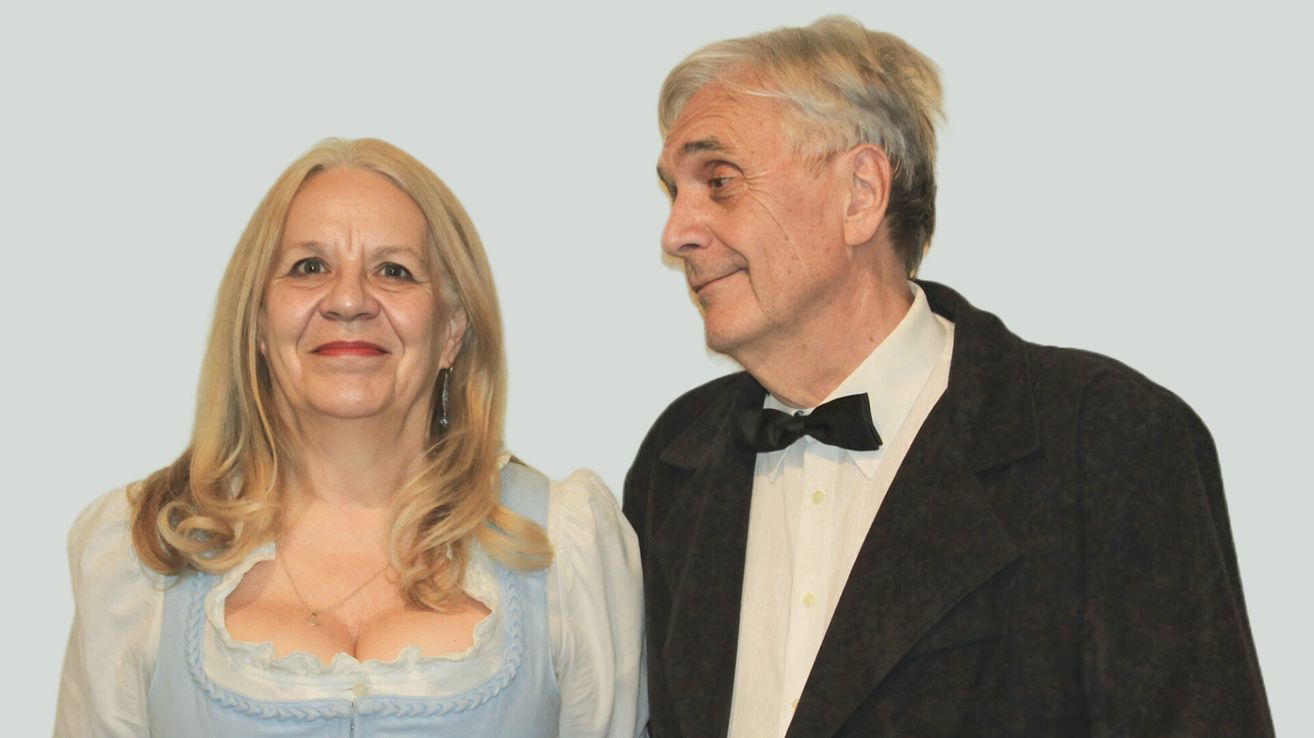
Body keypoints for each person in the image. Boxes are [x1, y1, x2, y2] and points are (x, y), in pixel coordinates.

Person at [624, 16, 1273, 738]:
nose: (676, 233)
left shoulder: (1106, 441)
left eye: (719, 182)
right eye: (674, 192)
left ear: (860, 193)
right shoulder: (675, 461)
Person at [55, 138, 645, 737]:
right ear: (258, 324)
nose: (348, 300)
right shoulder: (142, 556)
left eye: (394, 271)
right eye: (309, 267)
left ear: (451, 330)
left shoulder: (564, 549)